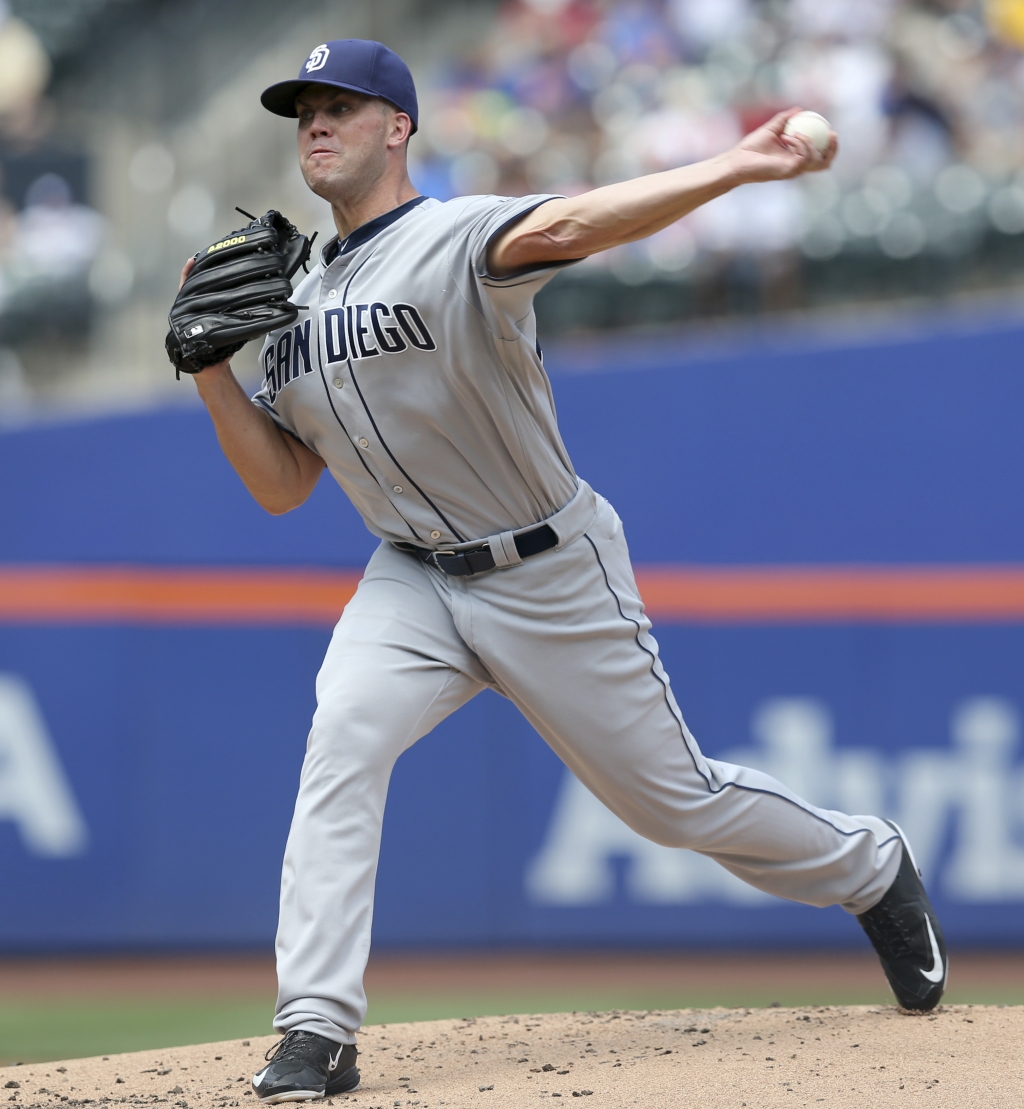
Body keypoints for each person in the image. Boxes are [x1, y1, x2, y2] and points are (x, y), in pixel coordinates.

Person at [182, 39, 947, 1105]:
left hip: (545, 563)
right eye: (303, 107)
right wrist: (212, 370)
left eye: (342, 106)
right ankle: (315, 1026)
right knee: (341, 743)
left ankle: (869, 864)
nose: (316, 121)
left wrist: (733, 166)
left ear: (397, 126)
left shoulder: (456, 235)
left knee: (674, 803)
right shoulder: (289, 294)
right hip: (410, 576)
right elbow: (281, 485)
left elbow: (578, 223)